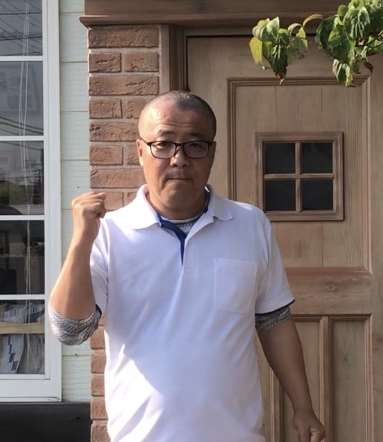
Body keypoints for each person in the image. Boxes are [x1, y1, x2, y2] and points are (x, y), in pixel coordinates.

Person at [49, 90, 325, 442]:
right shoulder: (110, 233)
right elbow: (71, 331)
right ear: (140, 151)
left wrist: (303, 407)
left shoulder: (249, 224)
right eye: (163, 144)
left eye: (194, 145)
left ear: (212, 152)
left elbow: (274, 322)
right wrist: (80, 241)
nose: (178, 159)